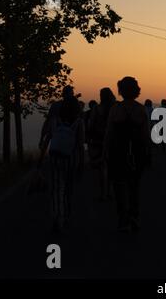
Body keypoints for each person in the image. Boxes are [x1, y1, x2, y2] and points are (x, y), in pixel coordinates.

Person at [104, 77, 150, 232]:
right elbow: (145, 135)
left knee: (119, 186)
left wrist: (105, 152)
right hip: (137, 152)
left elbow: (109, 133)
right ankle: (134, 216)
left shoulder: (115, 109)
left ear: (121, 91)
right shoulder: (141, 109)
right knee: (134, 186)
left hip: (118, 152)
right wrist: (148, 153)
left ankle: (122, 218)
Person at [47, 95, 85, 233]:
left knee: (57, 188)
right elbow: (80, 145)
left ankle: (58, 217)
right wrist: (81, 163)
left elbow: (49, 139)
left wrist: (40, 160)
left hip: (55, 157)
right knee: (68, 189)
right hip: (71, 158)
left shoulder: (54, 120)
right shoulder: (79, 122)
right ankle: (66, 215)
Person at [88, 88, 116, 201]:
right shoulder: (115, 108)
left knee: (101, 168)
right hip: (112, 141)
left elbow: (91, 124)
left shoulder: (96, 109)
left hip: (99, 140)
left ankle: (103, 193)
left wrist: (89, 138)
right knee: (111, 167)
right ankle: (110, 192)